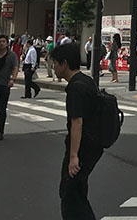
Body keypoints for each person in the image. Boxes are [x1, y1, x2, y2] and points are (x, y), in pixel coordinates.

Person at [51, 42, 104, 220]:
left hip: (83, 148)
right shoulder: (86, 80)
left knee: (70, 195)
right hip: (93, 145)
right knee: (78, 193)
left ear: (64, 63)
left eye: (55, 63)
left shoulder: (76, 87)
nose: (54, 67)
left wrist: (74, 156)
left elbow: (77, 122)